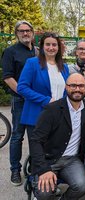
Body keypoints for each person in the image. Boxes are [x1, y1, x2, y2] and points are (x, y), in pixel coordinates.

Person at [29, 73, 85, 200]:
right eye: (73, 85)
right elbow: (35, 140)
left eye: (81, 86)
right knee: (44, 194)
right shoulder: (52, 109)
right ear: (66, 87)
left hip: (72, 160)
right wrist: (43, 169)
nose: (77, 89)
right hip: (49, 159)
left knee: (82, 186)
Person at [1, 20, 37, 186]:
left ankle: (34, 167)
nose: (25, 33)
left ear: (32, 32)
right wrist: (26, 94)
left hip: (36, 101)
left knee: (36, 136)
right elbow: (8, 77)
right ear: (16, 34)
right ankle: (15, 170)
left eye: (27, 30)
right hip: (20, 100)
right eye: (21, 31)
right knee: (17, 136)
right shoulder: (10, 52)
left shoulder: (37, 52)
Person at [17, 32, 69, 138]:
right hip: (37, 116)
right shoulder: (32, 63)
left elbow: (66, 91)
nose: (51, 48)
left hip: (58, 116)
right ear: (42, 46)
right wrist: (46, 100)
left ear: (58, 47)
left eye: (54, 45)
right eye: (47, 44)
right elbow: (22, 88)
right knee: (38, 153)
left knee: (54, 152)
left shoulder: (64, 67)